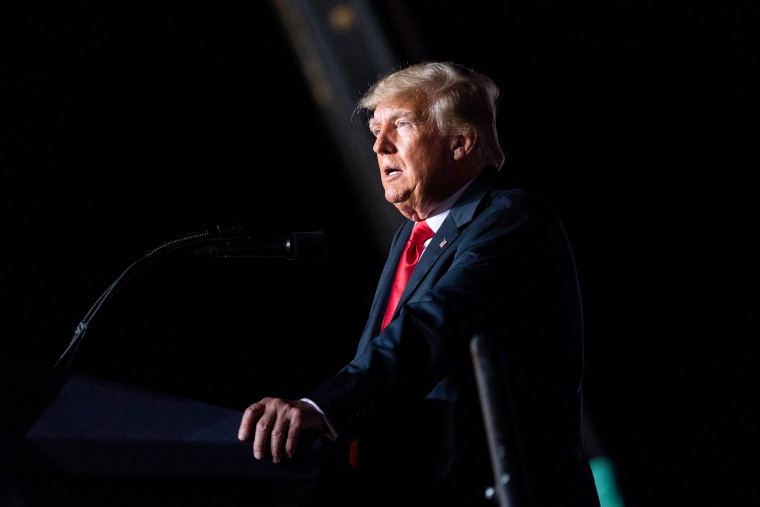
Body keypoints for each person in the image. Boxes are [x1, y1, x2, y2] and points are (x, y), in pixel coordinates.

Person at [238, 61, 601, 506]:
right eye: (375, 129)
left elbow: (431, 327)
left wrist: (321, 406)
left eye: (401, 124)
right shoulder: (410, 239)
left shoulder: (512, 219)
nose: (378, 145)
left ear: (460, 143)